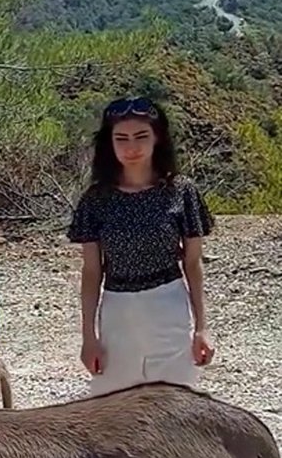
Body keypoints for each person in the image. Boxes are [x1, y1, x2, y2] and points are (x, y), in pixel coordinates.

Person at [67, 96, 215, 396]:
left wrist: (202, 328)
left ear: (157, 138)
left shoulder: (181, 192)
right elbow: (92, 272)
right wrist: (88, 337)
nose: (131, 147)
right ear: (109, 143)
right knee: (114, 404)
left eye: (141, 136)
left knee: (175, 399)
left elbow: (193, 264)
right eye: (121, 138)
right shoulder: (96, 200)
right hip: (117, 309)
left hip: (168, 304)